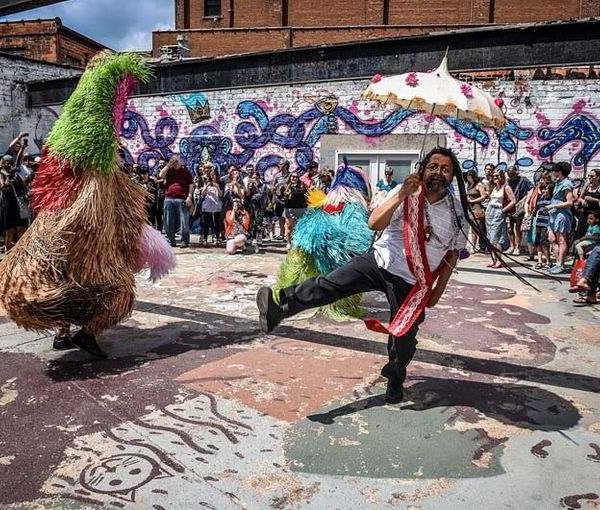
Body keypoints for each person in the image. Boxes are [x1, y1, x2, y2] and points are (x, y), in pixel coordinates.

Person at [257, 147, 467, 404]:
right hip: (379, 261)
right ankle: (280, 306)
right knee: (332, 284)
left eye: (445, 169)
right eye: (433, 166)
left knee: (404, 339)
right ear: (423, 168)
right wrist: (401, 195)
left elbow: (452, 254)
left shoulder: (457, 212)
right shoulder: (405, 192)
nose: (438, 172)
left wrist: (436, 292)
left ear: (453, 176)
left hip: (413, 283)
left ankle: (395, 379)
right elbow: (374, 223)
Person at [0, 52, 174, 358]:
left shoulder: (61, 148)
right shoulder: (94, 156)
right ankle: (87, 333)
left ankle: (63, 333)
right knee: (120, 294)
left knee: (60, 273)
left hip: (59, 225)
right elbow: (94, 193)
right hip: (80, 233)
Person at [547, 162, 575, 274]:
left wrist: (553, 205)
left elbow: (570, 202)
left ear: (559, 171)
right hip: (553, 215)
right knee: (552, 239)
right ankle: (558, 262)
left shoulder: (566, 184)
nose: (553, 173)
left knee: (561, 240)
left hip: (561, 215)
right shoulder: (558, 183)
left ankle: (560, 264)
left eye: (555, 171)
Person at [160, 156, 194, 248]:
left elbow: (191, 185)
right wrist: (168, 165)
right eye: (174, 162)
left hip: (182, 199)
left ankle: (184, 241)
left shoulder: (185, 172)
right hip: (169, 199)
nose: (175, 163)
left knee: (184, 222)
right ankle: (171, 240)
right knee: (168, 221)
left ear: (180, 162)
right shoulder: (169, 170)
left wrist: (189, 197)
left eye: (177, 161)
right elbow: (160, 175)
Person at [485, 169, 516, 268]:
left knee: (495, 238)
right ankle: (493, 259)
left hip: (498, 212)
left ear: (502, 176)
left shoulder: (506, 187)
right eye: (494, 176)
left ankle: (499, 260)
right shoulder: (494, 188)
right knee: (490, 238)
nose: (495, 178)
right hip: (490, 212)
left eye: (497, 176)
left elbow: (513, 201)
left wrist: (503, 210)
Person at [0, 153, 30, 253]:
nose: (10, 165)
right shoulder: (2, 174)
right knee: (10, 232)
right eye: (8, 163)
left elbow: (23, 187)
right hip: (8, 207)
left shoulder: (17, 175)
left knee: (22, 229)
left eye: (11, 163)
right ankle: (8, 255)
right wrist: (8, 178)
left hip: (20, 206)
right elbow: (3, 187)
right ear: (4, 164)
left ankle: (23, 252)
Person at [506, 165, 533, 255]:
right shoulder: (508, 181)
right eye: (509, 174)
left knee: (518, 228)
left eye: (512, 174)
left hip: (519, 207)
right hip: (510, 207)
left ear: (516, 173)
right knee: (510, 228)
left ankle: (517, 247)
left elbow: (532, 189)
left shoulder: (523, 180)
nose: (511, 176)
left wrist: (526, 198)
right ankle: (511, 246)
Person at [281, 172, 308, 250]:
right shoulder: (285, 187)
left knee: (298, 227)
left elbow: (306, 197)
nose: (294, 178)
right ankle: (289, 242)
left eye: (296, 177)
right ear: (290, 177)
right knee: (289, 227)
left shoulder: (302, 187)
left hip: (300, 209)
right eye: (292, 176)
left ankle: (297, 242)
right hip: (289, 209)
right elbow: (279, 196)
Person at [464, 169, 488, 252]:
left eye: (470, 176)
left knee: (479, 229)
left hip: (477, 208)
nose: (468, 178)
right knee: (473, 229)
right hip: (470, 209)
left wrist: (473, 201)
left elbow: (483, 196)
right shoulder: (468, 185)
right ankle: (473, 247)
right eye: (467, 176)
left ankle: (482, 246)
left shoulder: (479, 185)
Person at [532, 182, 553, 269]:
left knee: (544, 243)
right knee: (537, 243)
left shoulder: (552, 200)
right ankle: (539, 261)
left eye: (546, 189)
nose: (544, 191)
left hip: (546, 224)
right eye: (543, 189)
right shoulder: (540, 199)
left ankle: (548, 261)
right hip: (538, 224)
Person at [574, 169, 600, 239]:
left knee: (592, 235)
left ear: (598, 177)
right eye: (589, 176)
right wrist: (582, 201)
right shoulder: (587, 186)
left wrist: (593, 199)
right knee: (580, 233)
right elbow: (579, 198)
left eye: (592, 176)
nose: (590, 178)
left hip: (595, 216)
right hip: (584, 214)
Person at [200, 167, 223, 245]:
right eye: (211, 175)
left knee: (216, 223)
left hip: (216, 206)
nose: (213, 177)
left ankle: (217, 237)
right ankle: (205, 238)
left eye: (214, 175)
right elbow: (202, 194)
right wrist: (206, 186)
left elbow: (221, 194)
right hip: (207, 206)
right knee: (206, 223)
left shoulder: (219, 184)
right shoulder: (206, 183)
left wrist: (217, 187)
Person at [274, 160, 291, 239]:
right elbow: (273, 187)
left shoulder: (290, 175)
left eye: (281, 164)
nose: (279, 165)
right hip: (279, 198)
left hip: (288, 199)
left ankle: (287, 234)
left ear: (286, 165)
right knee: (280, 216)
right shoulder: (277, 176)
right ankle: (281, 233)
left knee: (287, 217)